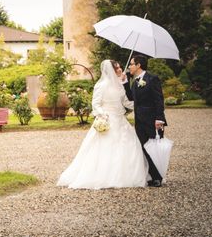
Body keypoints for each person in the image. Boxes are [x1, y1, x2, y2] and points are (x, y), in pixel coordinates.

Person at [57, 60, 148, 189]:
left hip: (120, 120)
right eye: (118, 67)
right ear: (112, 70)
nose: (120, 69)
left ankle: (124, 175)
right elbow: (96, 104)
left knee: (128, 145)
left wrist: (142, 105)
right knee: (104, 147)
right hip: (107, 120)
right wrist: (102, 114)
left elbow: (126, 102)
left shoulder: (120, 85)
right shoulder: (101, 85)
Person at [124, 54, 166, 187]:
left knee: (154, 149)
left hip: (152, 120)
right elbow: (131, 98)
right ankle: (155, 176)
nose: (129, 66)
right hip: (139, 121)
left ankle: (158, 177)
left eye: (131, 64)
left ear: (138, 65)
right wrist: (125, 82)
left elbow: (159, 100)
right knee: (144, 148)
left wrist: (159, 118)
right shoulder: (135, 81)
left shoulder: (152, 79)